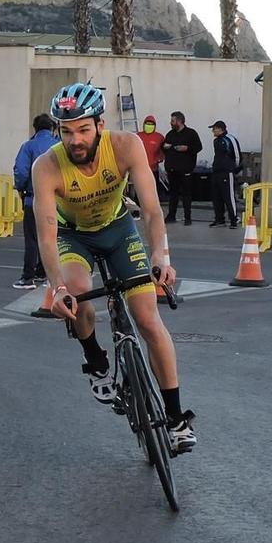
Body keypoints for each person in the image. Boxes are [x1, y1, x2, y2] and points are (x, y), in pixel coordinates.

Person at [32, 83, 195, 454]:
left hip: (119, 229)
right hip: (73, 238)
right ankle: (95, 359)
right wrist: (56, 289)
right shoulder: (47, 166)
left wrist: (160, 257)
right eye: (67, 131)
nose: (75, 139)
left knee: (148, 319)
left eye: (84, 129)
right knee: (77, 295)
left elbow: (152, 210)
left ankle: (175, 419)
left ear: (100, 124)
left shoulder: (126, 146)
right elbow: (46, 235)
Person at [11, 113, 58, 287]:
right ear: (52, 128)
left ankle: (28, 276)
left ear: (35, 128)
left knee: (32, 239)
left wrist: (21, 189)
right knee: (53, 238)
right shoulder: (59, 145)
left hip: (34, 200)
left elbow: (21, 171)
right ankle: (45, 273)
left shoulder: (28, 146)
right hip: (58, 202)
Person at [161, 111, 202, 225]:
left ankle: (187, 217)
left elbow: (198, 147)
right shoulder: (170, 134)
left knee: (186, 194)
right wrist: (165, 147)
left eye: (173, 121)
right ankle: (171, 215)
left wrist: (187, 148)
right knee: (173, 194)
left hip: (185, 170)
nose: (171, 123)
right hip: (172, 169)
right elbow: (164, 147)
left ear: (179, 121)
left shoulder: (191, 133)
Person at [207, 120, 243, 227]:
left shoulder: (229, 139)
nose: (213, 131)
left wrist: (233, 168)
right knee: (217, 196)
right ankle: (219, 219)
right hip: (216, 171)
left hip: (227, 172)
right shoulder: (216, 141)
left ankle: (234, 219)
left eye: (214, 128)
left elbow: (237, 155)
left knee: (229, 196)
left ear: (220, 129)